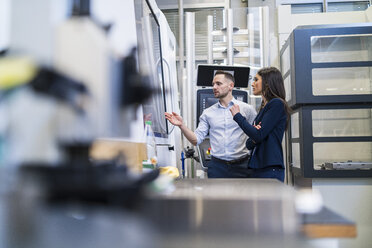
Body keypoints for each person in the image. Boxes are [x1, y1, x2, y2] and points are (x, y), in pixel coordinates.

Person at [165, 70, 256, 178]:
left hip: (242, 166)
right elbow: (196, 140)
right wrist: (182, 125)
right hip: (217, 167)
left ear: (231, 86)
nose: (214, 87)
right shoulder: (208, 113)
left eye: (218, 84)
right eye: (213, 84)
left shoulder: (247, 109)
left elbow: (255, 135)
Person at [230, 67, 291, 182]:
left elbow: (257, 135)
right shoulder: (263, 108)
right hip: (259, 167)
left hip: (269, 169)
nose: (252, 84)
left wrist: (238, 116)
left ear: (267, 83)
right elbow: (249, 143)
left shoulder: (276, 104)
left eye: (256, 80)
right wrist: (255, 134)